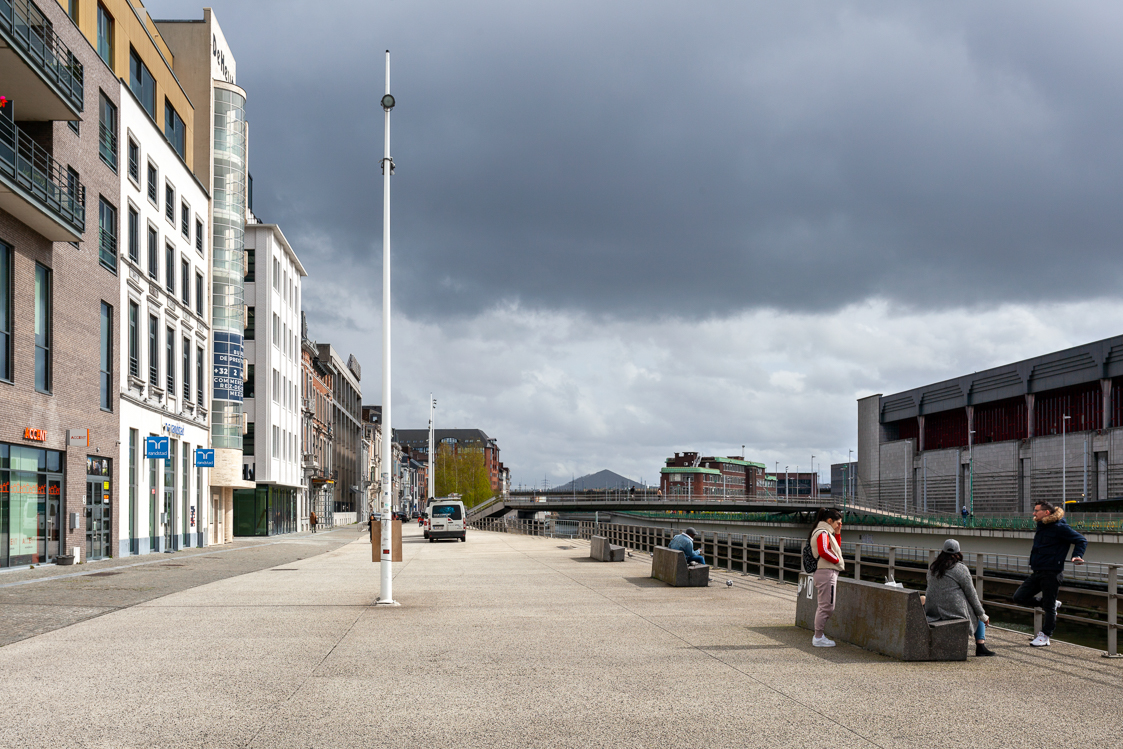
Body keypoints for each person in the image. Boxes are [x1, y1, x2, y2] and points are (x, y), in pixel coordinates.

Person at [1013, 501, 1086, 647]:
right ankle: (1051, 604)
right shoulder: (1042, 526)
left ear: (1046, 512)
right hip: (1038, 571)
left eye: (1036, 511)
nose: (1034, 513)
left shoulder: (1059, 527)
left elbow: (1081, 540)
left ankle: (1045, 636)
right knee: (1019, 597)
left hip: (1052, 572)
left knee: (1048, 607)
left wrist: (1077, 555)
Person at [924, 539, 994, 657]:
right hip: (953, 612)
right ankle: (980, 646)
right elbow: (971, 593)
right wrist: (982, 614)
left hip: (933, 611)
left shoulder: (933, 567)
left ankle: (981, 645)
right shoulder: (960, 568)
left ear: (942, 551)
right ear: (958, 552)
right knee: (977, 610)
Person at [809, 507, 845, 648]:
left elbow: (835, 548)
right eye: (838, 523)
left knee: (825, 606)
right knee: (826, 607)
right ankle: (818, 637)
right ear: (830, 521)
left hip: (824, 572)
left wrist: (838, 533)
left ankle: (819, 636)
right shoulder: (823, 533)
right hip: (826, 572)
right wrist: (836, 560)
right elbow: (823, 551)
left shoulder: (824, 532)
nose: (839, 525)